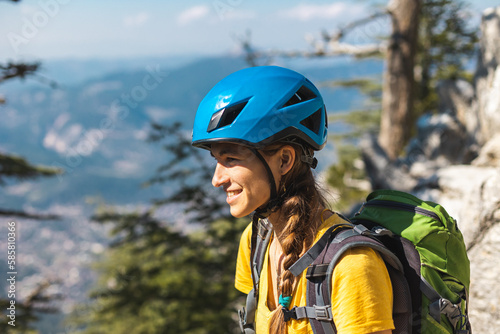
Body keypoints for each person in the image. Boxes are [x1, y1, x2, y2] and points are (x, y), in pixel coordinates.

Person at [192, 66, 394, 334]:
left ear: (284, 160)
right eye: (217, 161)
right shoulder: (255, 241)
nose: (217, 179)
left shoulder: (352, 264)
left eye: (231, 160)